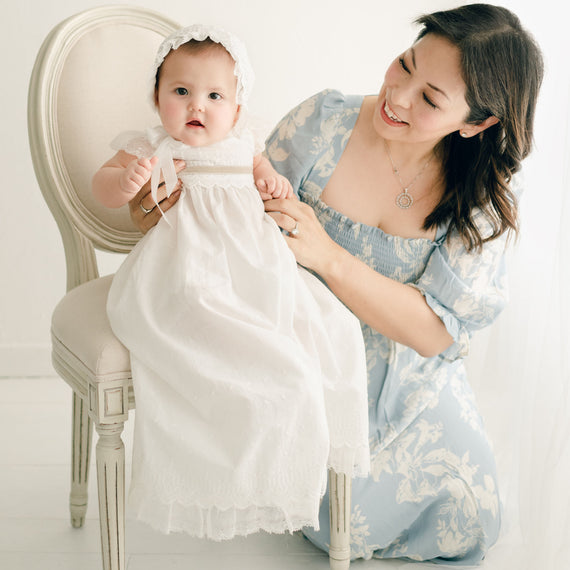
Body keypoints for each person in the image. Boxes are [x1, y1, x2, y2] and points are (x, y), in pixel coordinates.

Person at [128, 3, 544, 564]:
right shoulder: (322, 122)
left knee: (469, 514)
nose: (397, 97)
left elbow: (436, 335)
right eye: (404, 65)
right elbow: (228, 209)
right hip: (300, 335)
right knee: (328, 511)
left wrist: (330, 256)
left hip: (407, 373)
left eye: (429, 99)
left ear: (477, 123)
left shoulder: (482, 206)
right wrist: (158, 205)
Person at [92, 25, 371, 540]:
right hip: (180, 269)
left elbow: (267, 178)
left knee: (322, 326)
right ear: (157, 99)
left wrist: (272, 180)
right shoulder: (151, 145)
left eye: (215, 95)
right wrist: (124, 182)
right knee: (199, 312)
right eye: (181, 92)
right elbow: (103, 184)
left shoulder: (244, 146)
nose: (197, 105)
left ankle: (271, 470)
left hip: (251, 268)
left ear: (237, 110)